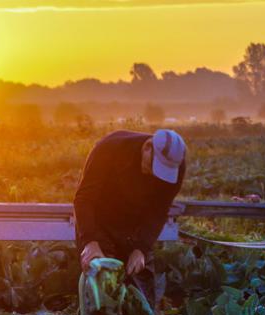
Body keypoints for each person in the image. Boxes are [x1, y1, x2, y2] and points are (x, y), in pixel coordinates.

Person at [74, 129, 186, 305]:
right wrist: (90, 241)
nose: (154, 175)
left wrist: (141, 248)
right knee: (100, 290)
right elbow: (84, 199)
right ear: (147, 147)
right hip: (99, 222)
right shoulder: (110, 148)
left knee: (143, 296)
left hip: (135, 226)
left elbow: (159, 210)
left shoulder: (176, 164)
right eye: (153, 167)